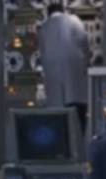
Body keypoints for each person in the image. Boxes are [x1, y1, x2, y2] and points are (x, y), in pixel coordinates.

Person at [38, 3, 90, 133]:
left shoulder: (44, 28)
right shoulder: (74, 21)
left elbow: (42, 54)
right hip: (76, 84)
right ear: (63, 10)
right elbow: (85, 44)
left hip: (54, 88)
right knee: (78, 123)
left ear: (48, 13)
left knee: (60, 125)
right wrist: (86, 64)